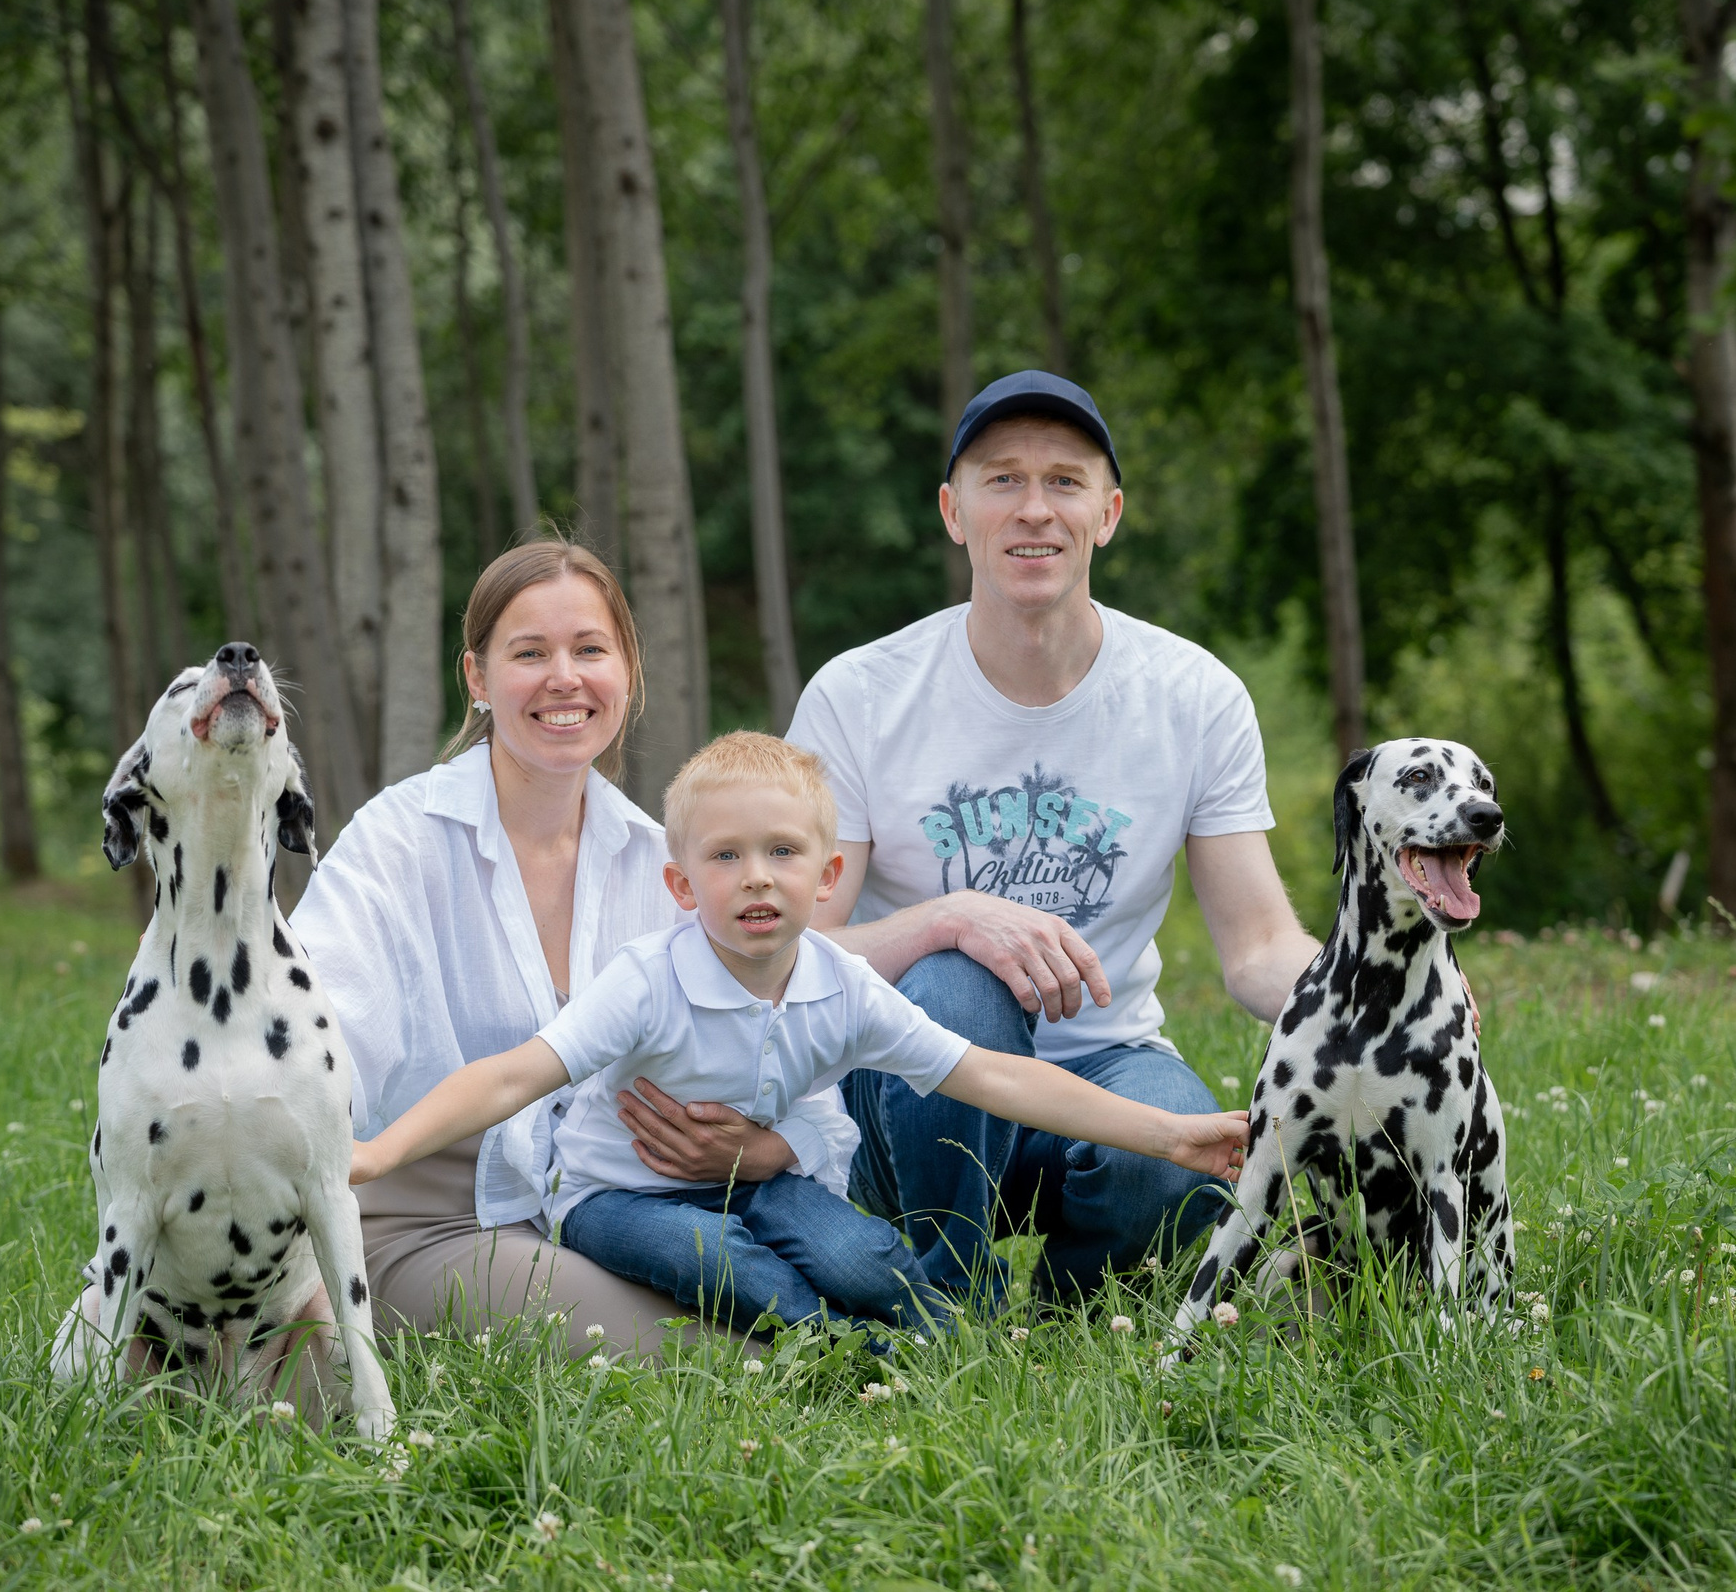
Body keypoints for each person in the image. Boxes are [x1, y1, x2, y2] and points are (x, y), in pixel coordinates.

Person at [347, 732, 1249, 1334]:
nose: (756, 879)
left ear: (827, 878)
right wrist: (380, 1153)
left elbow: (996, 1079)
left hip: (760, 1179)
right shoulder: (645, 982)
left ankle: (948, 1345)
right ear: (681, 885)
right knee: (728, 1270)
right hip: (621, 1200)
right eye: (726, 857)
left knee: (865, 1261)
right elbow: (513, 1076)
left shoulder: (841, 986)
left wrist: (1173, 1134)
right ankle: (855, 1362)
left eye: (782, 853)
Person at [786, 370, 1324, 1303]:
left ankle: (1058, 1317)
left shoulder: (1194, 697)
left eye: (1065, 482)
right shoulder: (859, 696)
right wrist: (945, 920)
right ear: (955, 512)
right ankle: (952, 1296)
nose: (1035, 510)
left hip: (1107, 1064)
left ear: (1108, 514)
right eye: (1002, 480)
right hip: (910, 1098)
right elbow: (790, 954)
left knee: (1172, 1152)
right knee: (955, 984)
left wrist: (1374, 991)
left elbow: (1260, 947)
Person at [291, 540, 853, 1359]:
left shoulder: (664, 860)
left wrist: (767, 1148)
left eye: (590, 650)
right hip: (438, 1216)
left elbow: (785, 1037)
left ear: (628, 672)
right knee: (742, 1362)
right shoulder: (403, 838)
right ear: (478, 680)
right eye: (530, 653)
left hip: (620, 1210)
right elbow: (316, 1037)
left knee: (827, 1294)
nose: (565, 678)